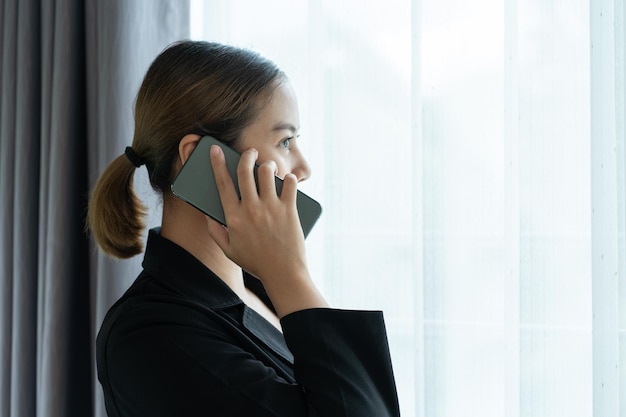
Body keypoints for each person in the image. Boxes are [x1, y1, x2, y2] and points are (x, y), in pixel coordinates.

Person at [88, 40, 400, 417]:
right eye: (285, 141)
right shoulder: (147, 336)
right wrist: (291, 274)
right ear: (200, 158)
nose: (303, 167)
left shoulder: (261, 288)